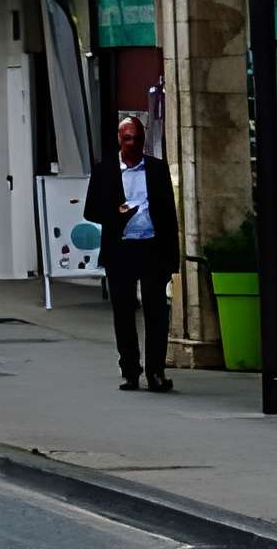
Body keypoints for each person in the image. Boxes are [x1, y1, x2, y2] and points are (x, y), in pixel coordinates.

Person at [82, 113, 179, 392]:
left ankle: (156, 372)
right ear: (119, 140)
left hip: (152, 248)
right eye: (127, 139)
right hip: (120, 250)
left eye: (137, 138)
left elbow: (169, 216)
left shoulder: (157, 169)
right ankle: (130, 371)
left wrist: (172, 257)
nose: (133, 144)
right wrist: (116, 214)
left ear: (143, 140)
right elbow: (90, 210)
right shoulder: (104, 170)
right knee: (123, 313)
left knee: (156, 313)